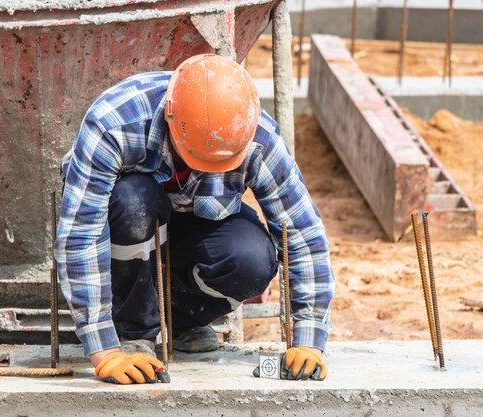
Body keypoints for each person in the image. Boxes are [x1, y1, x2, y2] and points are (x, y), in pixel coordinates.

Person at [55, 54, 335, 385]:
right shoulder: (114, 122)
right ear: (171, 120)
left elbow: (301, 234)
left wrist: (308, 340)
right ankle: (132, 333)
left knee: (251, 259)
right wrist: (105, 352)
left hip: (198, 225)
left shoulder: (255, 135)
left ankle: (183, 321)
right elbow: (81, 236)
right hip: (133, 222)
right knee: (133, 203)